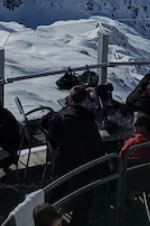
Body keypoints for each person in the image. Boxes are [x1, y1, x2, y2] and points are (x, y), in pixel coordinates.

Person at [47, 85, 107, 226]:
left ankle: (47, 220)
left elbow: (52, 138)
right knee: (84, 198)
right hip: (85, 165)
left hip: (63, 161)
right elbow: (95, 144)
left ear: (70, 98)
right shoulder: (88, 120)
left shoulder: (60, 116)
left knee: (57, 193)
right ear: (86, 100)